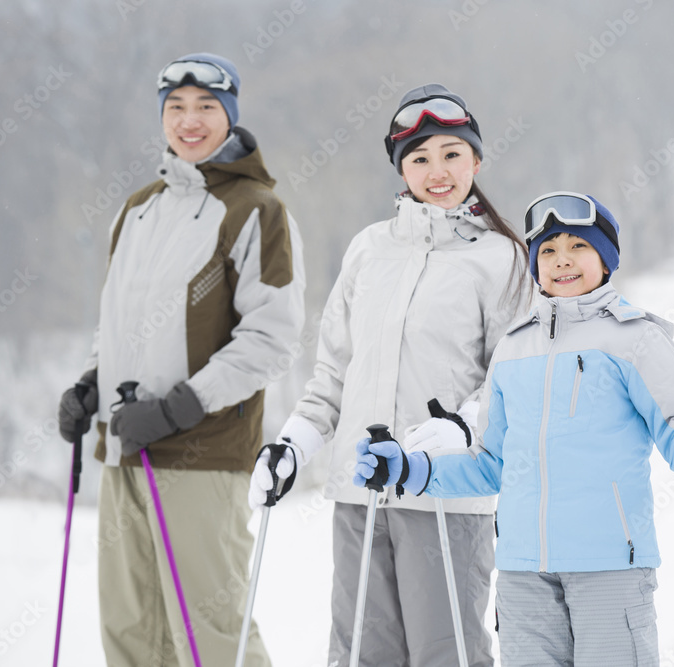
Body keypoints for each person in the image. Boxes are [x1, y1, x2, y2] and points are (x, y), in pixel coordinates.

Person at [354, 192, 674, 667]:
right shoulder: (512, 347)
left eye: (578, 247)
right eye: (547, 250)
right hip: (523, 574)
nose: (561, 260)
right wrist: (412, 470)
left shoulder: (636, 339)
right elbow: (489, 463)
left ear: (606, 260)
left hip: (609, 565)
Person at [248, 84, 529, 666]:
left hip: (444, 492)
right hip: (359, 491)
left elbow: (513, 374)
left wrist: (466, 427)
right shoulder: (369, 250)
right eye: (419, 158)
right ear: (402, 170)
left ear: (477, 160)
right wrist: (295, 442)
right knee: (359, 653)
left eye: (452, 153)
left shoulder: (502, 258)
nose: (438, 170)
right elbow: (334, 370)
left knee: (444, 651)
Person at [57, 52, 305, 667]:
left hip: (201, 453)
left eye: (206, 108)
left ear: (231, 117)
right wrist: (91, 384)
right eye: (176, 108)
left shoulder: (257, 211)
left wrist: (177, 410)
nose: (189, 121)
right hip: (124, 450)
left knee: (209, 633)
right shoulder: (138, 209)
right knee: (132, 629)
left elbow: (271, 339)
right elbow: (117, 319)